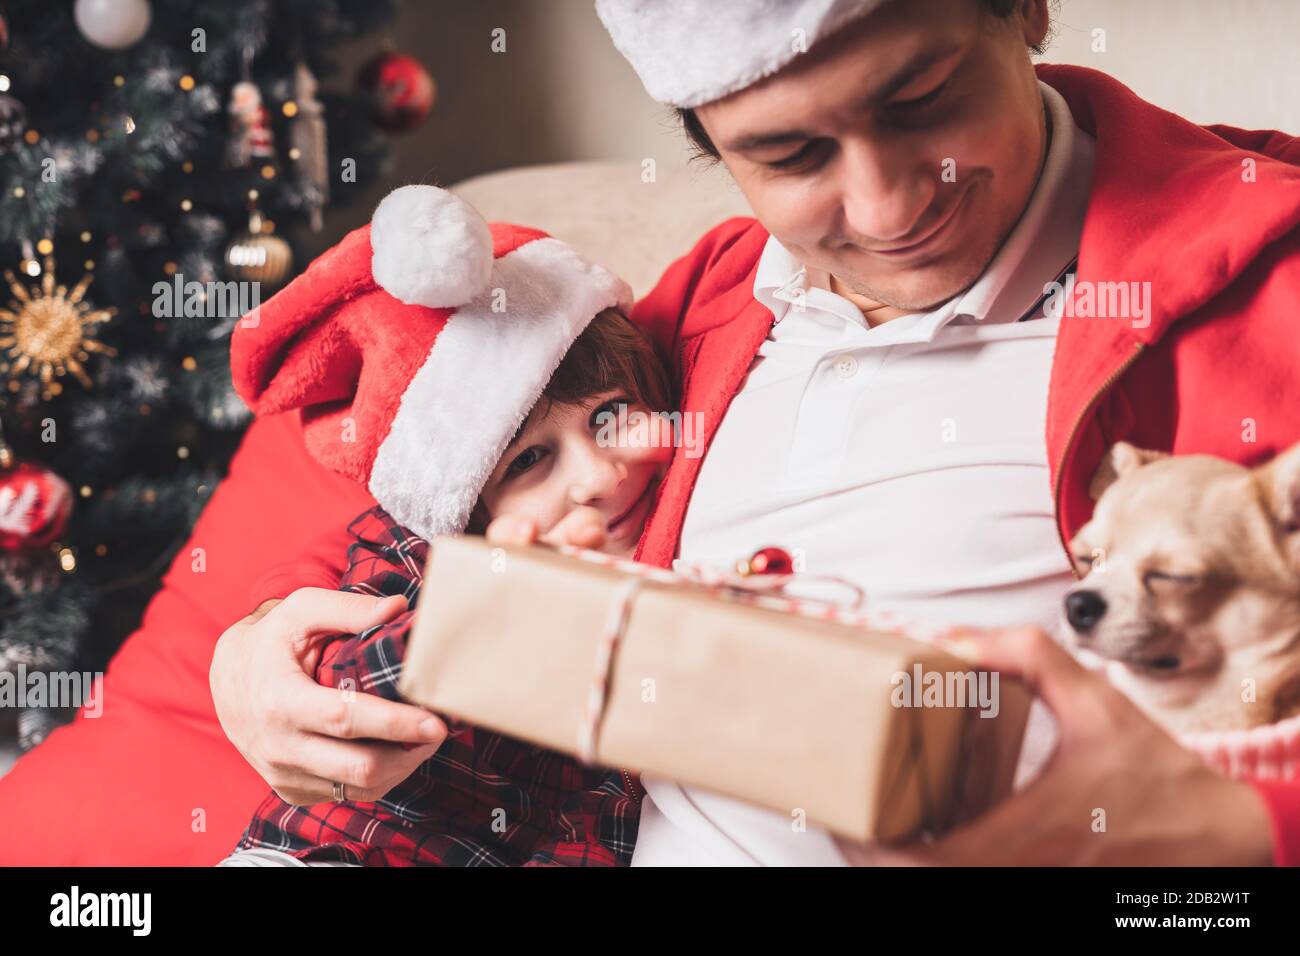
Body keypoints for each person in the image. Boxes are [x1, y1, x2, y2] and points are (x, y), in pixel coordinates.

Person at [211, 0, 1300, 865]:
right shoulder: (716, 300)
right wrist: (257, 652)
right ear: (710, 148)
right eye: (789, 157)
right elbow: (433, 509)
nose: (881, 211)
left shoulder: (1269, 278)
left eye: (922, 100)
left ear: (1022, 10)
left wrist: (1233, 833)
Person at [218, 186, 673, 865]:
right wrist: (489, 609)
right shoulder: (419, 553)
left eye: (608, 417)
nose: (600, 478)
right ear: (466, 507)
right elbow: (343, 680)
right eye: (531, 460)